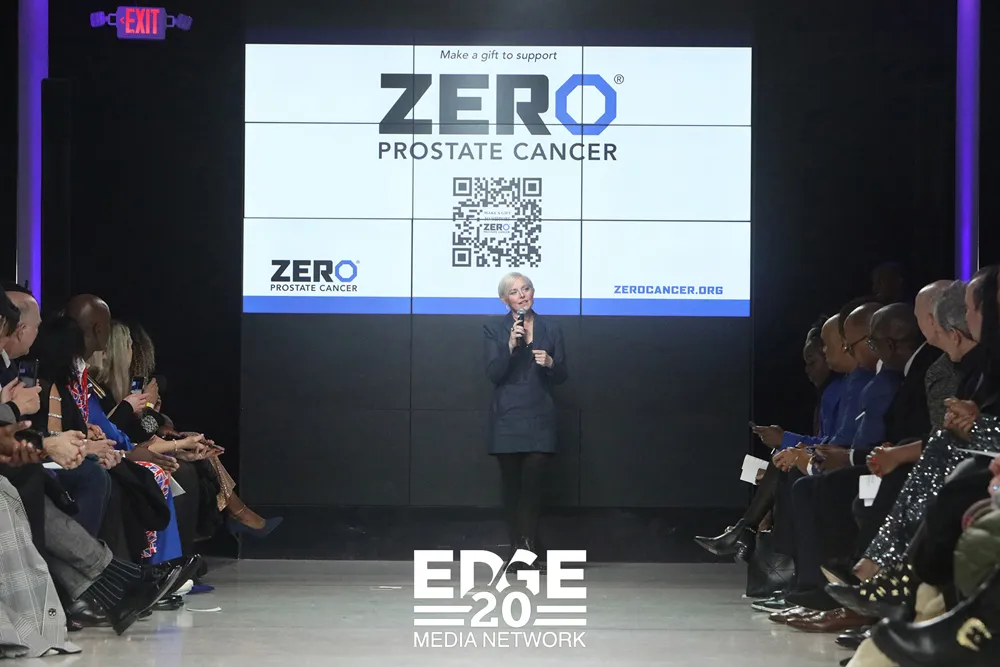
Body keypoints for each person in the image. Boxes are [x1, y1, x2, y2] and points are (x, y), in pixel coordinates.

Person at [694, 317, 842, 558]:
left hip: (836, 467)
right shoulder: (830, 392)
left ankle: (749, 535)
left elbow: (837, 444)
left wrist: (786, 440)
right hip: (822, 462)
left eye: (813, 361)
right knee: (773, 465)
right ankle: (749, 534)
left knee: (782, 467)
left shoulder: (841, 390)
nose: (807, 370)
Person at [483, 272, 566, 572]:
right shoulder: (494, 329)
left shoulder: (551, 328)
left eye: (526, 289)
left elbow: (563, 375)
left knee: (533, 485)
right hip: (508, 415)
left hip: (540, 414)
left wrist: (551, 363)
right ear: (505, 300)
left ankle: (527, 550)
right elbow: (493, 374)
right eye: (514, 292)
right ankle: (517, 548)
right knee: (512, 487)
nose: (522, 296)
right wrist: (509, 345)